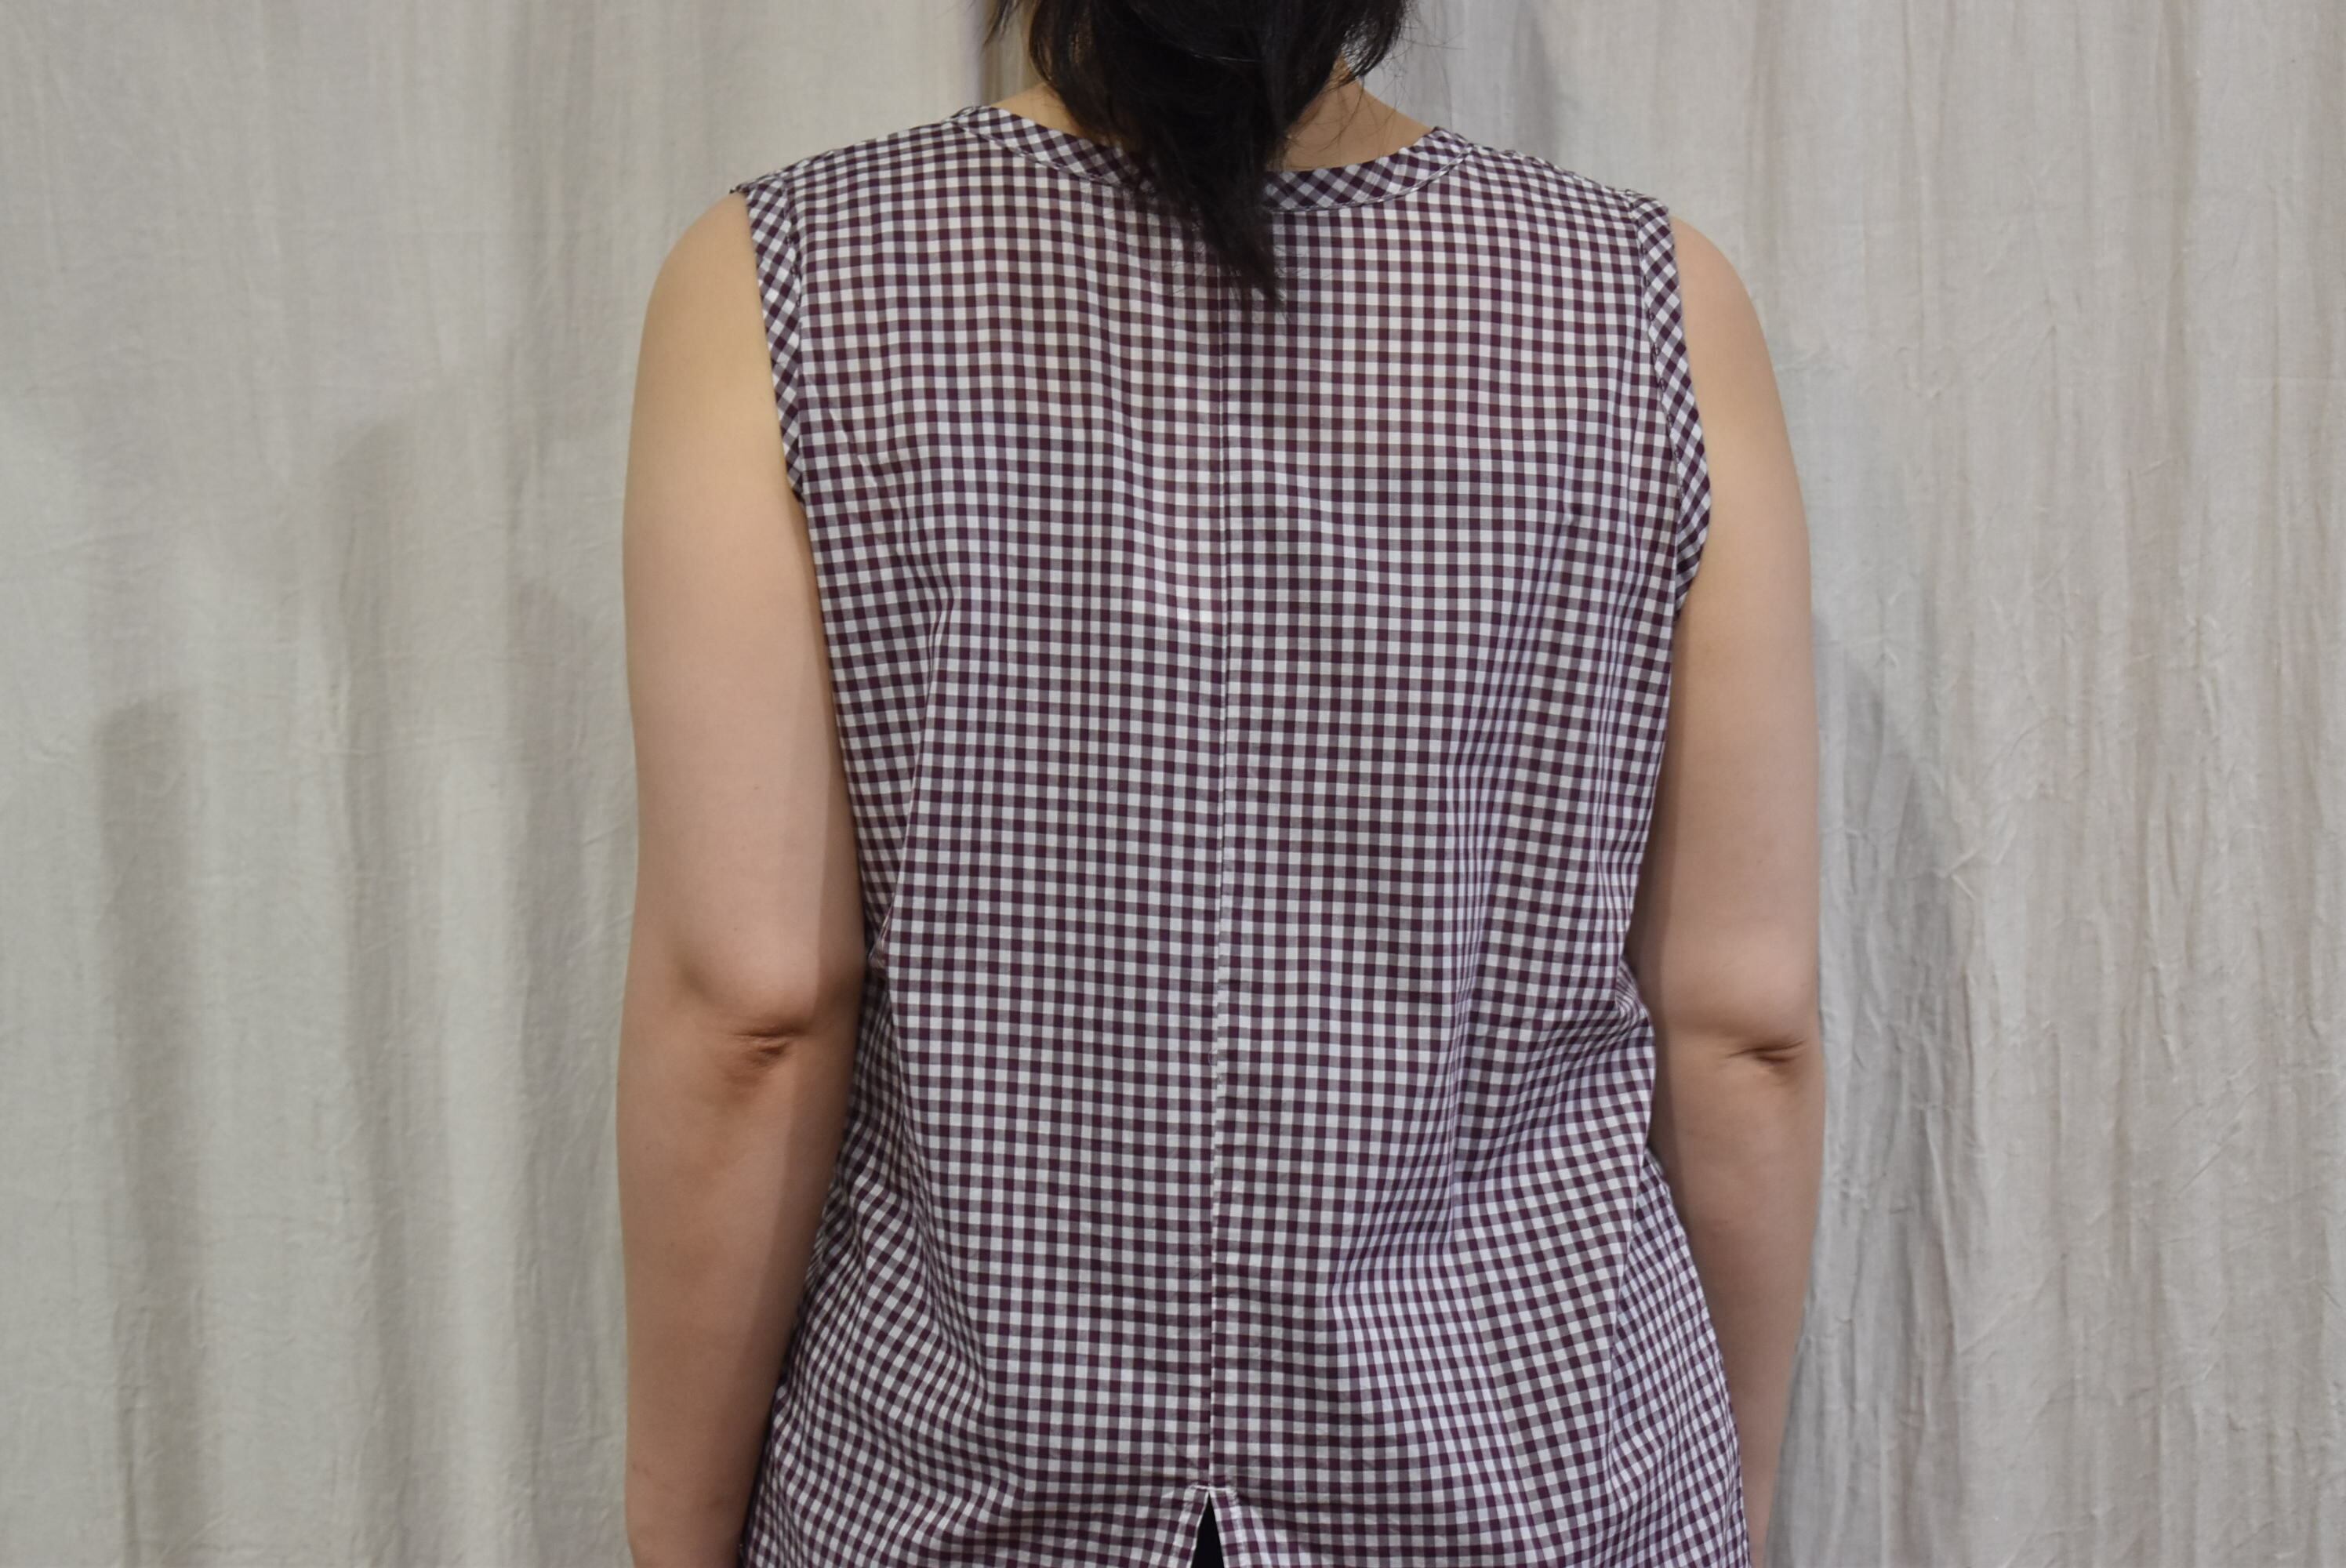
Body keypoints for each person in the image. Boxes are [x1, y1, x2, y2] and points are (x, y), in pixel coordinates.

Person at [616, 3, 1823, 1565]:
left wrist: (673, 1528)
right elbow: (1744, 1022)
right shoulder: (1647, 302)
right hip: (1530, 1487)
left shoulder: (785, 279)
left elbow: (753, 1007)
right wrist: (1726, 1494)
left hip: (962, 1485)